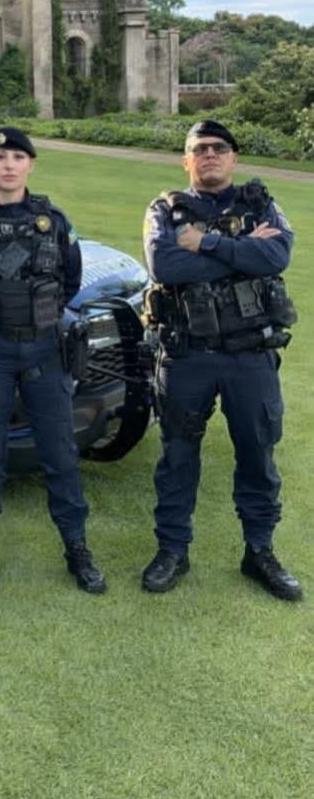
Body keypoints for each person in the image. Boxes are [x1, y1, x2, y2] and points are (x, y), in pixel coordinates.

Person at [0, 126, 106, 593]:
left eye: (17, 156)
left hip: (43, 351)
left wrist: (35, 316)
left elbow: (69, 281)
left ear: (30, 165)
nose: (8, 164)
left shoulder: (52, 221)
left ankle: (77, 549)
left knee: (60, 455)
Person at [142, 119, 301, 600]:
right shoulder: (164, 211)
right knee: (177, 456)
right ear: (186, 160)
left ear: (233, 157)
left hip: (249, 358)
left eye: (219, 147)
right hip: (186, 355)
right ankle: (172, 550)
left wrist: (207, 244)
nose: (209, 154)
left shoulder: (259, 204)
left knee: (257, 453)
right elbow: (165, 265)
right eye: (199, 149)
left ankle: (259, 551)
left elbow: (278, 256)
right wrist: (243, 251)